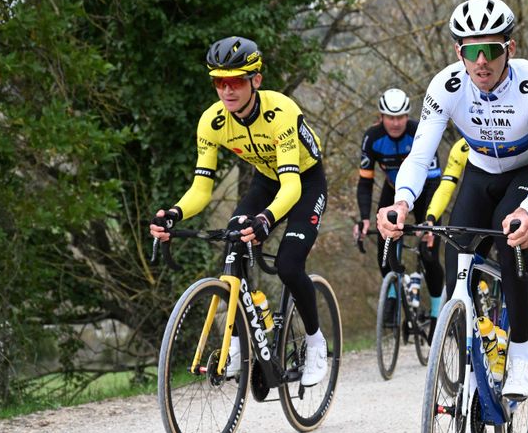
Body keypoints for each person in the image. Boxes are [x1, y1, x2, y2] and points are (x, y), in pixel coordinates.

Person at [376, 0, 528, 400]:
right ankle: (467, 337)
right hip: (478, 172)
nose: (481, 62)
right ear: (459, 52)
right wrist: (402, 202)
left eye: (491, 50)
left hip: (523, 172)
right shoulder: (447, 86)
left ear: (509, 49)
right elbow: (419, 156)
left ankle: (519, 352)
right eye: (471, 51)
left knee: (507, 235)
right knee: (455, 248)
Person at [149, 36, 329, 387]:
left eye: (235, 81)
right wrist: (174, 213)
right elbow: (201, 189)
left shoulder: (282, 112)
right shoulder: (212, 122)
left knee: (290, 265)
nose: (226, 91)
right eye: (219, 82)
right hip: (266, 180)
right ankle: (235, 343)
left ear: (255, 80)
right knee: (233, 240)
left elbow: (291, 186)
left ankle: (315, 341)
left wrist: (266, 220)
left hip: (304, 182)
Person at [355, 89, 446, 328]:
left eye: (401, 117)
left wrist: (429, 220)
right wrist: (364, 218)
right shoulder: (372, 138)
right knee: (385, 248)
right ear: (381, 116)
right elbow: (365, 182)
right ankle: (394, 296)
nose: (395, 123)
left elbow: (435, 180)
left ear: (407, 116)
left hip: (425, 190)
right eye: (390, 117)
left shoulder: (419, 133)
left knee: (430, 253)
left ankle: (437, 313)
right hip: (393, 190)